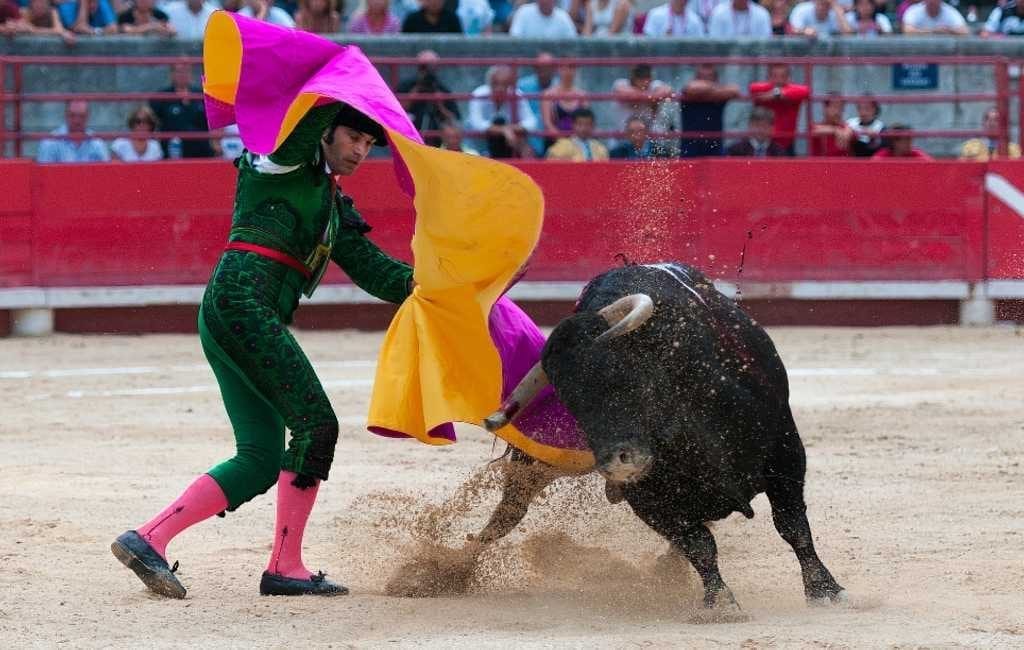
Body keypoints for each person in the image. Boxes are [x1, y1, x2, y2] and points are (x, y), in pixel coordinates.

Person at [112, 57, 418, 602]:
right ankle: (285, 567)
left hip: (236, 312)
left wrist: (452, 286)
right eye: (352, 136)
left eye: (370, 144)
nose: (360, 151)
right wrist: (338, 82)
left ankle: (148, 539)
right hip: (242, 304)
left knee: (258, 458)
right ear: (324, 131)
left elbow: (378, 272)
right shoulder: (277, 157)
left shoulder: (330, 204)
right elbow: (304, 118)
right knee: (316, 425)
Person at [466, 65, 538, 158]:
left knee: (526, 147)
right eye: (496, 84)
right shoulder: (479, 95)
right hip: (479, 142)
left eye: (505, 84)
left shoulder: (516, 95)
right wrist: (503, 130)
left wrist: (511, 128)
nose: (500, 88)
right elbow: (477, 124)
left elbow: (531, 123)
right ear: (489, 83)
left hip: (509, 141)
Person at [149, 63, 215, 159]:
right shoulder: (161, 97)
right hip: (173, 151)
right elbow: (151, 122)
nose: (183, 75)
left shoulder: (202, 95)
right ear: (171, 74)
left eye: (186, 71)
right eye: (179, 71)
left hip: (202, 150)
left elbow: (213, 121)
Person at [396, 50, 460, 146]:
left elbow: (455, 119)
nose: (427, 71)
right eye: (424, 67)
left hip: (437, 139)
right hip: (409, 137)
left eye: (431, 67)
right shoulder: (406, 86)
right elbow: (394, 113)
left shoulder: (442, 89)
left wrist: (440, 105)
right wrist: (413, 95)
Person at [679, 63, 739, 157]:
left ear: (715, 78)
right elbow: (692, 88)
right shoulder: (689, 91)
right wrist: (714, 90)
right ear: (696, 78)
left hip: (714, 146)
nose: (705, 81)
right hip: (691, 145)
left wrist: (709, 91)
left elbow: (735, 90)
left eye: (709, 76)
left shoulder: (719, 95)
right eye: (702, 78)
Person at [749, 63, 809, 155]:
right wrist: (777, 93)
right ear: (769, 77)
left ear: (789, 78)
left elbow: (805, 91)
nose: (779, 80)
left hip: (787, 143)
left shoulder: (792, 91)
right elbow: (753, 88)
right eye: (775, 76)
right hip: (765, 142)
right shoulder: (764, 89)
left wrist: (776, 94)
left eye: (783, 76)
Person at [610, 63, 674, 144]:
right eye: (640, 76)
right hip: (623, 139)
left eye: (646, 76)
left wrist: (643, 96)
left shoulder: (655, 85)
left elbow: (668, 91)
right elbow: (625, 93)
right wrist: (652, 97)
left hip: (652, 140)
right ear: (633, 77)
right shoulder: (621, 83)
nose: (644, 80)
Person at [37, 99, 110, 163]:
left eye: (81, 116)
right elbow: (45, 175)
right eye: (72, 115)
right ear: (65, 115)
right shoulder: (50, 142)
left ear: (88, 116)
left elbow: (106, 174)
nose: (77, 121)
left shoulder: (97, 143)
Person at [540, 61, 588, 151]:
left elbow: (586, 121)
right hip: (555, 142)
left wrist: (575, 140)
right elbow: (547, 123)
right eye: (564, 68)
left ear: (576, 70)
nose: (568, 71)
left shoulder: (582, 95)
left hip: (578, 141)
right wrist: (564, 142)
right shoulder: (548, 94)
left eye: (572, 67)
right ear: (559, 69)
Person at [508, 0, 577, 37]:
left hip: (556, 62)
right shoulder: (523, 11)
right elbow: (515, 40)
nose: (545, 1)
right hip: (527, 61)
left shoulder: (563, 16)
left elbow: (573, 44)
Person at [787, 0, 853, 36]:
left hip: (826, 54)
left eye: (825, 4)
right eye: (820, 2)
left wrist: (836, 6)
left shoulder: (834, 14)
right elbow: (792, 30)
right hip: (802, 53)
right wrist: (804, 31)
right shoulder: (802, 9)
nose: (821, 7)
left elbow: (847, 33)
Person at [707, 0, 772, 36]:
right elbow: (714, 45)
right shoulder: (718, 13)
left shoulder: (762, 14)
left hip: (754, 58)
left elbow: (765, 45)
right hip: (726, 58)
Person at [901, 0, 968, 34]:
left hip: (943, 51)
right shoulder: (914, 10)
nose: (932, 2)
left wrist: (948, 30)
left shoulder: (949, 11)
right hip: (918, 50)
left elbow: (965, 31)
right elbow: (907, 30)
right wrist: (933, 31)